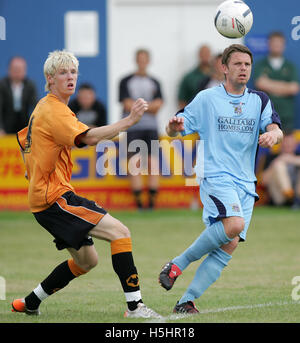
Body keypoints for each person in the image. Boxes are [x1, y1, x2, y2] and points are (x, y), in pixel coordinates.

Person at [11, 50, 161, 319]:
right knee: (120, 233)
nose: (70, 77)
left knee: (87, 261)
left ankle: (30, 302)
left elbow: (26, 143)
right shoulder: (54, 110)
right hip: (54, 198)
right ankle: (135, 307)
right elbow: (89, 138)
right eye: (63, 72)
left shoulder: (46, 107)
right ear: (49, 78)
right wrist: (128, 121)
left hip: (44, 201)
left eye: (73, 72)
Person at [158, 44, 283, 314]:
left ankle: (186, 301)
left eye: (247, 65)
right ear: (224, 68)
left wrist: (274, 134)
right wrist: (172, 126)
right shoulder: (206, 99)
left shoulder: (259, 99)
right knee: (234, 224)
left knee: (230, 242)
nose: (243, 69)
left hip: (245, 183)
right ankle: (177, 264)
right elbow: (174, 128)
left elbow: (274, 127)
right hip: (216, 175)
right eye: (237, 64)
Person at [119, 49, 163, 210]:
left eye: (145, 59)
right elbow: (126, 104)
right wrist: (149, 107)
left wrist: (139, 107)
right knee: (134, 164)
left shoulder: (155, 82)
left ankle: (151, 203)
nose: (142, 62)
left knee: (153, 163)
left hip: (151, 128)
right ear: (136, 60)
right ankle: (139, 203)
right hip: (133, 128)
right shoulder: (125, 81)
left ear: (148, 61)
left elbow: (159, 105)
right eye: (140, 59)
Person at [253, 31, 300, 131]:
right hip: (265, 115)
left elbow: (294, 88)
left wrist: (269, 84)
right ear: (268, 44)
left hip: (286, 116)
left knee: (286, 146)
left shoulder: (290, 66)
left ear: (284, 45)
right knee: (265, 143)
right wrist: (284, 86)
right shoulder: (260, 64)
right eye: (274, 43)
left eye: (279, 43)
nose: (276, 46)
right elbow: (260, 83)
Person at [261, 131, 300, 208]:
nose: (288, 145)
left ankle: (296, 199)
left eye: (290, 143)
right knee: (279, 165)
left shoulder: (298, 155)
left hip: (297, 192)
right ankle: (289, 195)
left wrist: (290, 159)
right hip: (279, 197)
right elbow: (263, 181)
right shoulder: (271, 157)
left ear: (295, 145)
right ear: (281, 144)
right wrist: (277, 161)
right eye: (286, 142)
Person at [0, 56, 37, 135]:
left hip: (24, 124)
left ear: (25, 71)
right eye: (15, 69)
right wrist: (0, 128)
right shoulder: (2, 85)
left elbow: (35, 107)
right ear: (9, 70)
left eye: (20, 70)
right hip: (6, 125)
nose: (17, 72)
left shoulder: (30, 85)